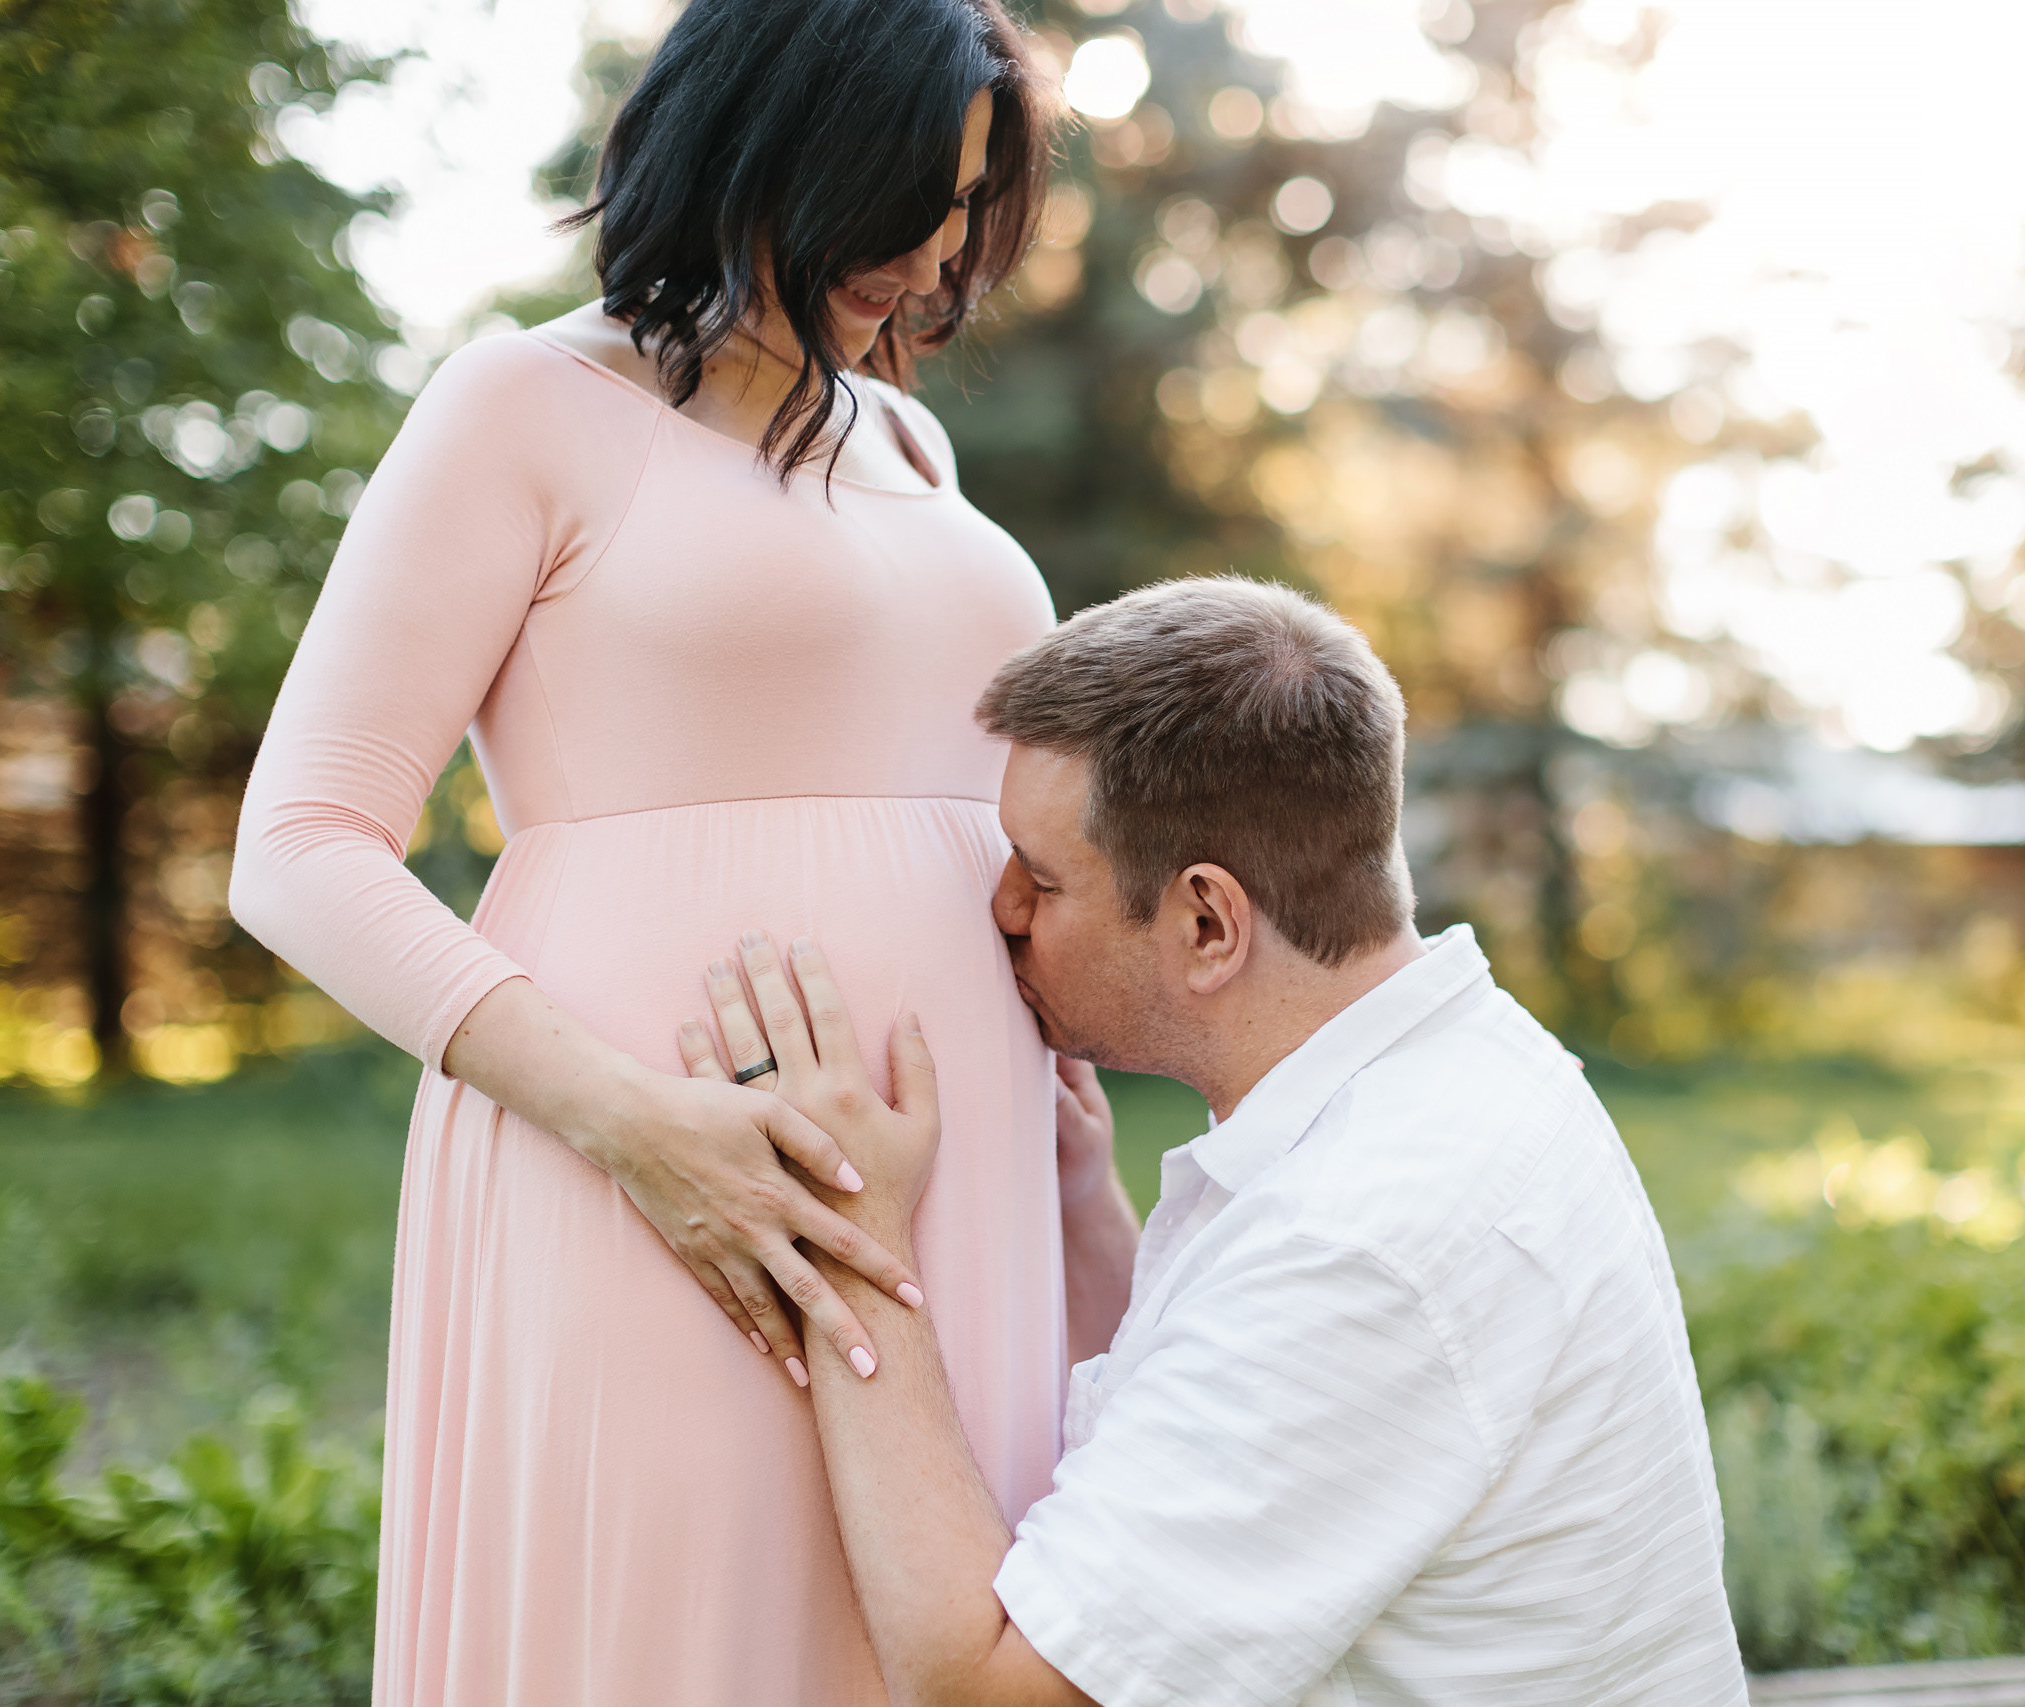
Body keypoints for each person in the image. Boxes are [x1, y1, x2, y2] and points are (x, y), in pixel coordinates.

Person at [226, 3, 1101, 1701]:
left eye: (966, 203)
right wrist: (646, 1134)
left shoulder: (911, 439)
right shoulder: (525, 404)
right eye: (905, 189)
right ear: (772, 135)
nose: (931, 252)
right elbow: (301, 844)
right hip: (646, 1163)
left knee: (932, 1629)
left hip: (957, 1190)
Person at [683, 578, 1751, 1707]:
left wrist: (852, 1243)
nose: (999, 909)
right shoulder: (1464, 1072)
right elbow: (1204, 1420)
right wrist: (1088, 1207)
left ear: (1206, 922)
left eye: (1040, 878)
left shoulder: (1364, 1241)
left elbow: (991, 1692)